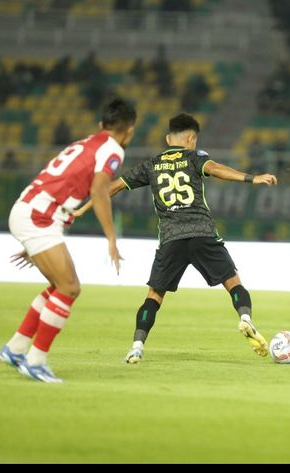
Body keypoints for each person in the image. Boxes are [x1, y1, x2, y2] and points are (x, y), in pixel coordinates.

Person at [75, 113, 277, 363]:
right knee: (233, 283)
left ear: (169, 138)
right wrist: (252, 178)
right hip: (202, 233)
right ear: (191, 138)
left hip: (171, 238)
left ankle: (137, 346)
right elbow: (215, 169)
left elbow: (113, 186)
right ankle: (245, 318)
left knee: (154, 297)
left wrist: (82, 208)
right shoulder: (195, 157)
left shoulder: (152, 164)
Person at [0, 97, 137, 383]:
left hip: (31, 212)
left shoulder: (85, 143)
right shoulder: (112, 150)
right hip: (39, 218)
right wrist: (111, 237)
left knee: (58, 286)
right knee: (69, 287)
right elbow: (100, 192)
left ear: (101, 125)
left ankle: (16, 348)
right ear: (129, 131)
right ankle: (35, 360)